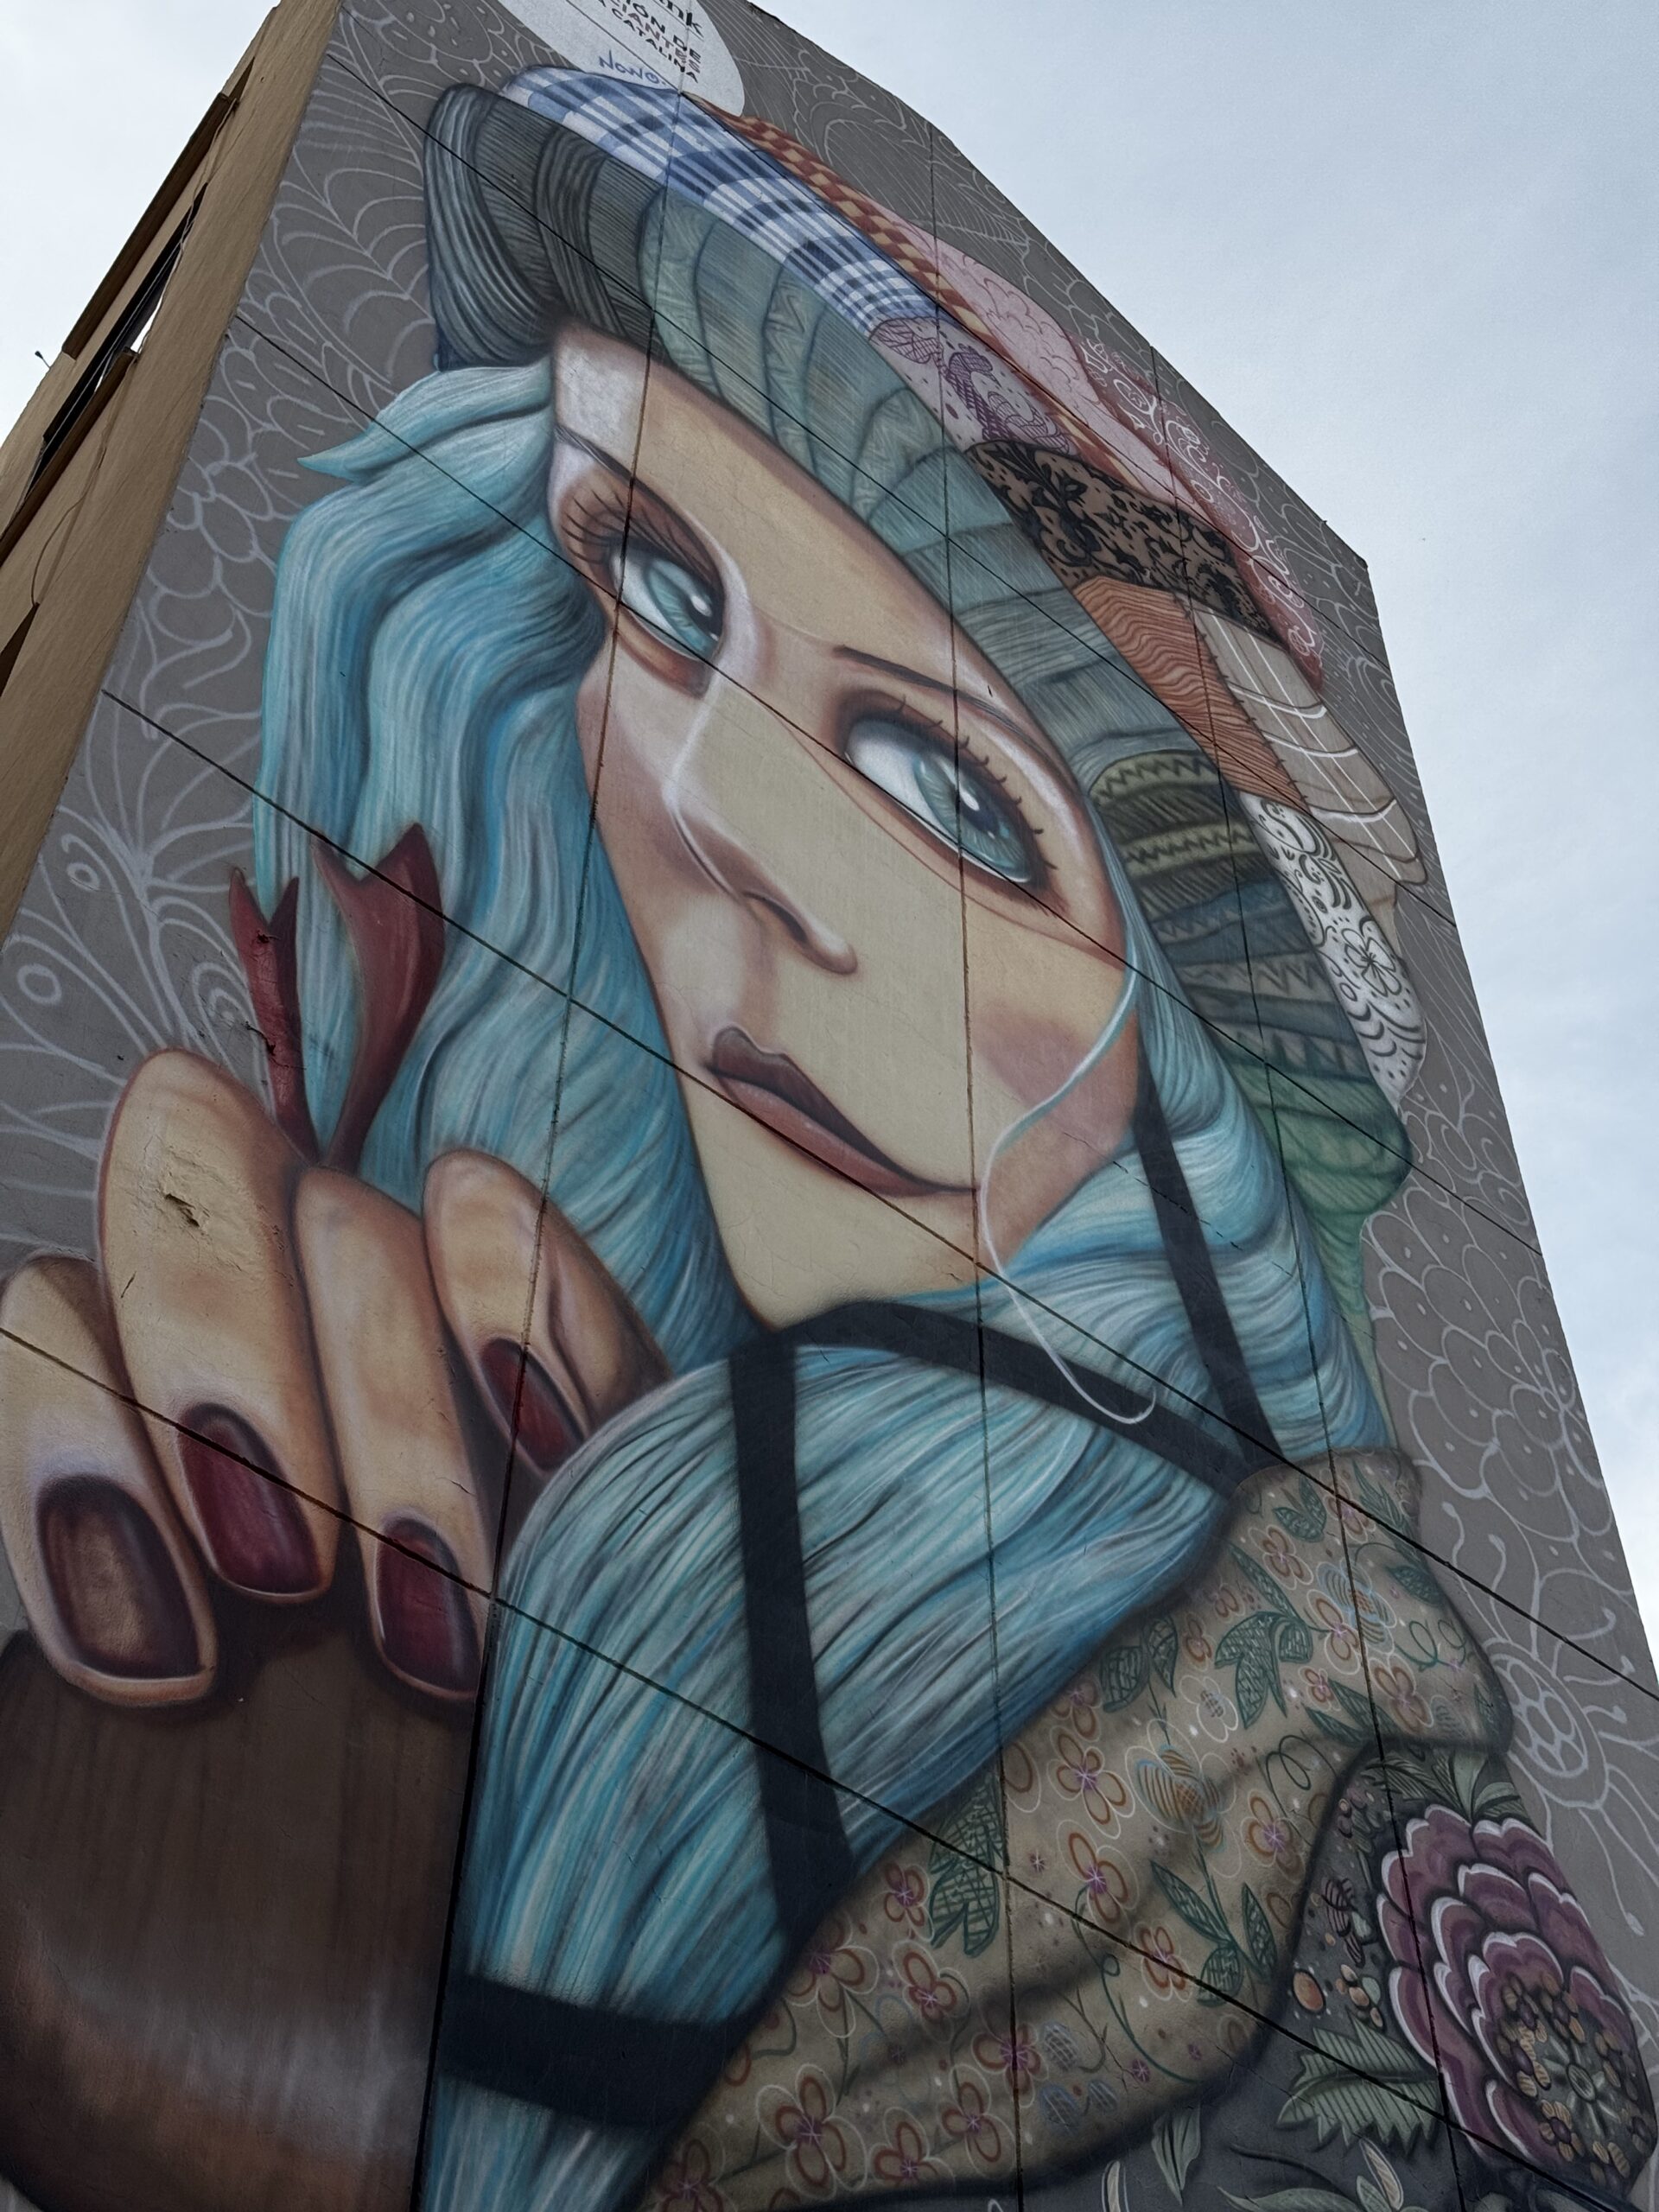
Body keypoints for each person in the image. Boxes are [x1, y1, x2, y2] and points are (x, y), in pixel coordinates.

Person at [0, 64, 1649, 2212]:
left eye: (960, 795)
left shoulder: (1379, 1907)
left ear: (1192, 1072)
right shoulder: (634, 1534)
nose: (709, 814)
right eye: (656, 586)